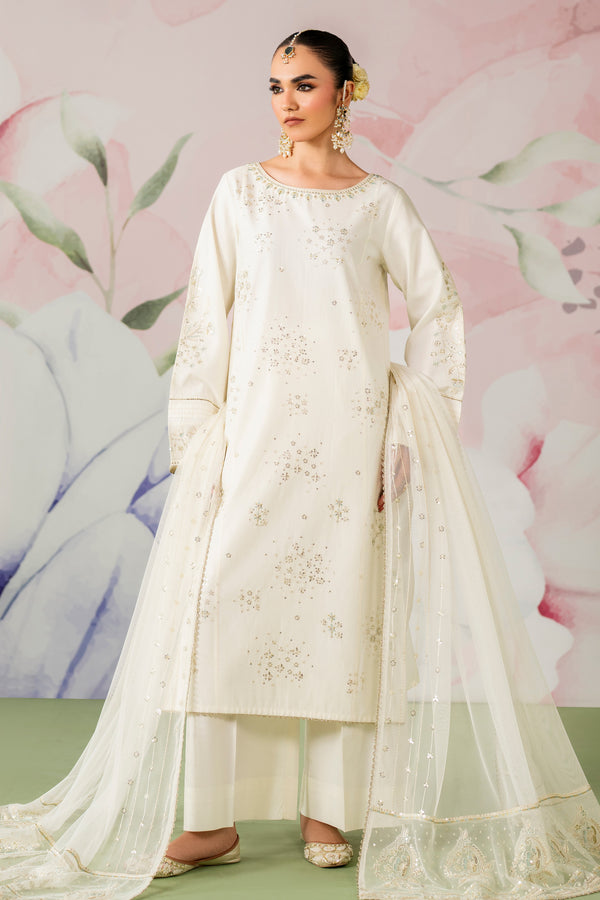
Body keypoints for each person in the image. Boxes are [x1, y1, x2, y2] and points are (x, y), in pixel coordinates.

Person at [1, 27, 600, 900]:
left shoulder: (378, 205)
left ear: (343, 93)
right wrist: (195, 429)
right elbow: (209, 314)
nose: (286, 100)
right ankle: (210, 818)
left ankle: (332, 808)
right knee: (223, 612)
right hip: (251, 434)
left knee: (337, 617)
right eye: (275, 84)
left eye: (304, 83)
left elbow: (438, 307)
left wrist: (408, 425)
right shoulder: (240, 194)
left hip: (352, 439)